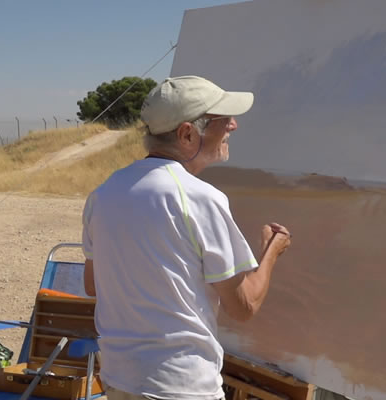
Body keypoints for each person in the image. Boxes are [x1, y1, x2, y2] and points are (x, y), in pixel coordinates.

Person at [81, 75, 291, 400]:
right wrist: (271, 252)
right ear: (187, 133)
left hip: (119, 379)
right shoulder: (199, 198)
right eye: (224, 119)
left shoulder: (105, 192)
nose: (233, 126)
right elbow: (244, 306)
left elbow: (93, 285)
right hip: (181, 387)